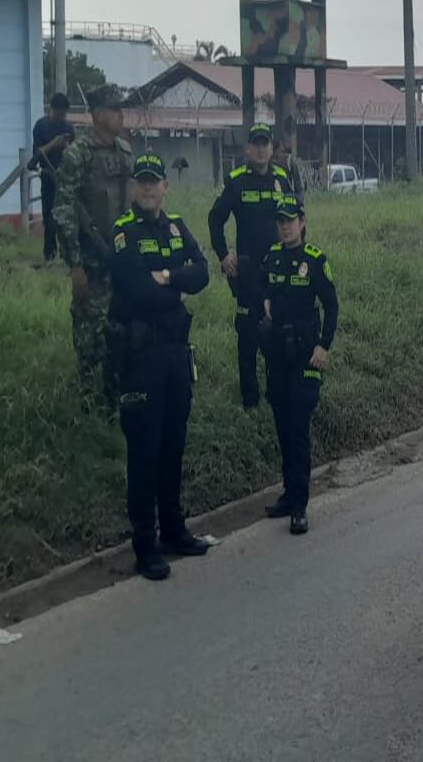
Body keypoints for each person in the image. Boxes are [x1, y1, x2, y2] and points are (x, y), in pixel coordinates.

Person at [108, 153, 213, 580]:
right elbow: (134, 289)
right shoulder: (123, 232)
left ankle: (173, 530)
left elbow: (203, 273)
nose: (149, 188)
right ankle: (145, 545)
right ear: (134, 188)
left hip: (174, 354)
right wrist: (178, 282)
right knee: (144, 451)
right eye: (142, 182)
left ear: (165, 186)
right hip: (141, 358)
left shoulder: (175, 225)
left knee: (173, 444)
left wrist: (167, 278)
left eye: (155, 181)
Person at [259, 195, 338, 535]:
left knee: (298, 429)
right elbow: (262, 288)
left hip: (306, 357)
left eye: (291, 220)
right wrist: (263, 300)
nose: (286, 226)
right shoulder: (272, 258)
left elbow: (331, 307)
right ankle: (289, 494)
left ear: (302, 222)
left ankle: (300, 507)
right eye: (281, 221)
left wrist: (324, 345)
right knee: (281, 427)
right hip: (278, 356)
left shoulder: (316, 260)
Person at [53, 85, 133, 400]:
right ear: (98, 114)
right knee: (89, 332)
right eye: (115, 109)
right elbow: (64, 211)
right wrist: (75, 266)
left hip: (123, 258)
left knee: (121, 327)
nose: (121, 114)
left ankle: (116, 392)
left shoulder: (125, 152)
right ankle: (88, 395)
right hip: (91, 259)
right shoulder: (77, 155)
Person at [208, 123, 293, 409]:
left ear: (271, 148)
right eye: (255, 143)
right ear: (248, 149)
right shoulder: (236, 181)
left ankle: (276, 395)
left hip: (278, 271)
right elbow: (214, 218)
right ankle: (250, 401)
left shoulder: (282, 179)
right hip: (247, 273)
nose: (260, 149)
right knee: (247, 338)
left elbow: (295, 220)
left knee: (278, 334)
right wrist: (223, 255)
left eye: (264, 143)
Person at [32, 92, 76, 261]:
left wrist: (66, 146)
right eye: (59, 114)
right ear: (52, 110)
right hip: (48, 177)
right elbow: (37, 155)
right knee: (49, 216)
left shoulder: (68, 127)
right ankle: (49, 254)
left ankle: (67, 253)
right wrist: (54, 144)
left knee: (65, 218)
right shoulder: (41, 127)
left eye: (63, 115)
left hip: (65, 178)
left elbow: (74, 151)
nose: (61, 118)